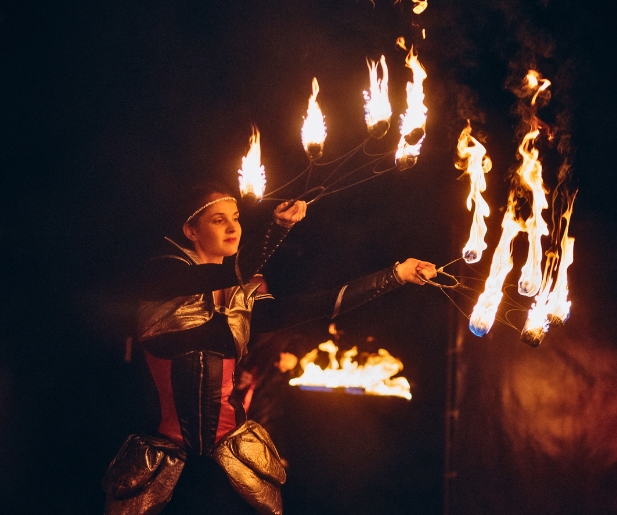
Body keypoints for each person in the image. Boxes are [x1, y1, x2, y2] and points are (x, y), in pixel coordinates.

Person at [103, 182, 436, 515]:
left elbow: (319, 304)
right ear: (191, 229)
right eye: (219, 220)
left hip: (229, 462)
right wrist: (279, 227)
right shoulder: (163, 273)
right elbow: (225, 274)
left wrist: (396, 274)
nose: (233, 227)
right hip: (163, 465)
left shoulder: (243, 295)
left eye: (235, 217)